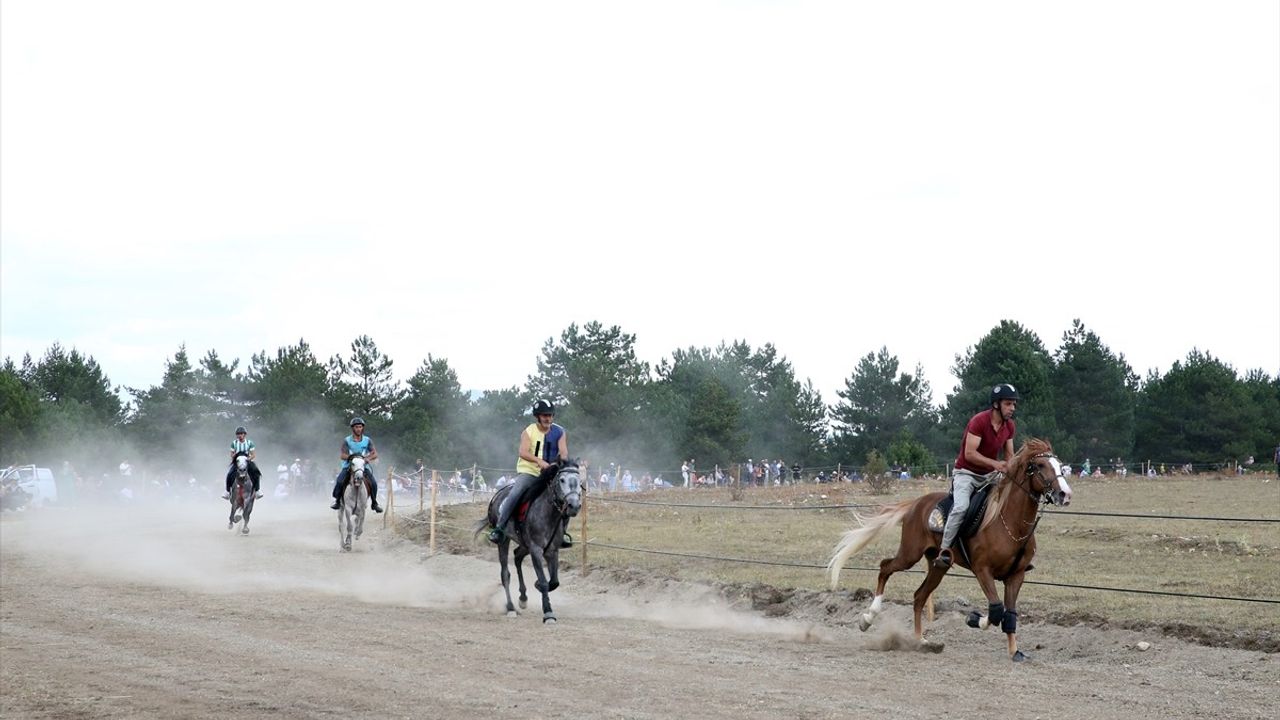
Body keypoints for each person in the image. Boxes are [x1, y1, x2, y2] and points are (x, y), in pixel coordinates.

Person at [935, 383, 1018, 569]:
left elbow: (1010, 455)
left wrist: (1011, 470)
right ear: (996, 404)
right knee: (961, 507)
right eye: (1008, 404)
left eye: (1013, 404)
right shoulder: (979, 421)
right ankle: (944, 550)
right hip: (966, 473)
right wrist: (996, 464)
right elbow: (970, 454)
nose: (1012, 408)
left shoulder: (1009, 426)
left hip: (990, 475)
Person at [488, 399, 569, 546]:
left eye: (551, 415)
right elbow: (523, 452)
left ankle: (562, 533)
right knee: (516, 492)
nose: (548, 419)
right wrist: (539, 461)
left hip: (552, 472)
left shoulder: (560, 432)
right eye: (545, 415)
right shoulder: (528, 432)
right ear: (537, 416)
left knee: (567, 496)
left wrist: (559, 463)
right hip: (530, 472)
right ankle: (499, 528)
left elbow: (563, 452)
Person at [329, 417, 382, 513]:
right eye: (356, 427)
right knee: (340, 481)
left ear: (363, 428)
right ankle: (337, 501)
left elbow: (374, 453)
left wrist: (368, 459)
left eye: (360, 427)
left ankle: (374, 503)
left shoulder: (367, 440)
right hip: (349, 466)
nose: (358, 429)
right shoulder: (347, 440)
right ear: (353, 428)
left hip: (363, 467)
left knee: (373, 483)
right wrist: (352, 458)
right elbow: (342, 455)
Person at [223, 426, 263, 499]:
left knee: (256, 473)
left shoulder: (249, 443)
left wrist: (248, 459)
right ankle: (227, 491)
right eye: (238, 434)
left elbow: (253, 454)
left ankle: (257, 490)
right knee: (229, 474)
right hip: (238, 460)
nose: (239, 435)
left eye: (241, 434)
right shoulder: (234, 443)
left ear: (244, 434)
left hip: (247, 460)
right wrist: (235, 457)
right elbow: (231, 454)